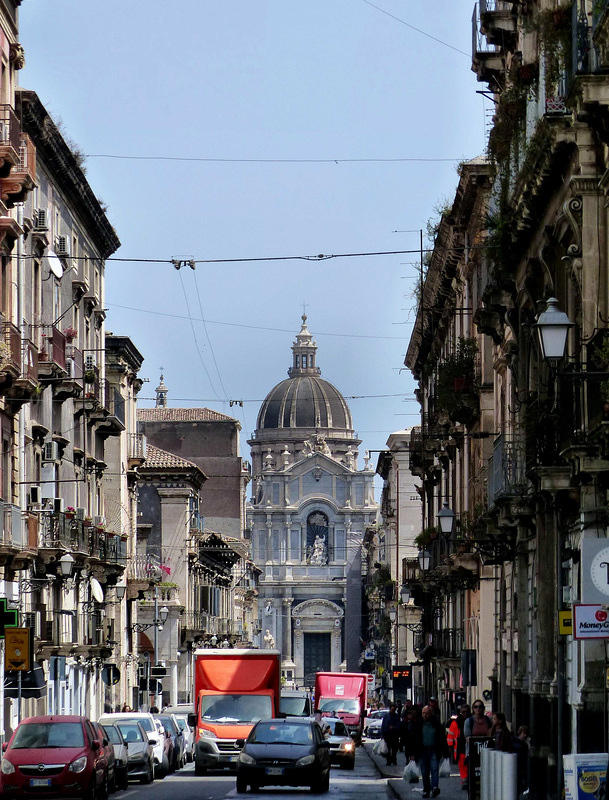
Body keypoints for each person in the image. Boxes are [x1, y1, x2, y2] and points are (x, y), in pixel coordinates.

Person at [411, 704, 449, 798]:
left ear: (431, 714)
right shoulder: (418, 725)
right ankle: (426, 790)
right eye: (423, 713)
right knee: (424, 772)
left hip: (434, 750)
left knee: (434, 770)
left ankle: (435, 787)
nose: (425, 715)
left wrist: (445, 752)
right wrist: (412, 753)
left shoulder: (436, 725)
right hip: (422, 751)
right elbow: (413, 740)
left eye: (427, 713)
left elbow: (442, 738)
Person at [447, 703, 471, 790]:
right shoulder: (455, 723)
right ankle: (464, 781)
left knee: (470, 765)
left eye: (467, 712)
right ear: (460, 712)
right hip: (460, 747)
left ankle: (469, 780)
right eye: (463, 712)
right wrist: (450, 746)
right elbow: (450, 736)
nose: (465, 714)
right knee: (462, 765)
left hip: (470, 746)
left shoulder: (472, 721)